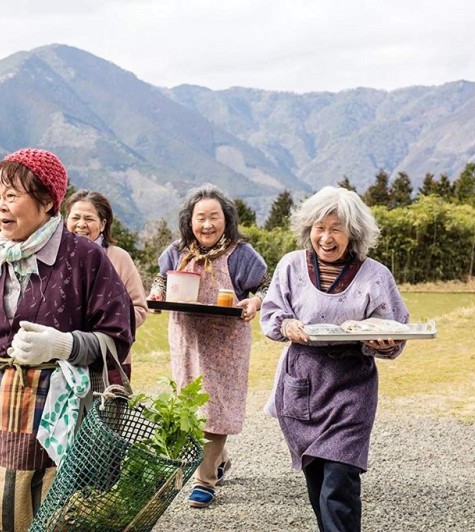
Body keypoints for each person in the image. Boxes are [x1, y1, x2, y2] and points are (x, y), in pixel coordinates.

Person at [0, 148, 134, 532]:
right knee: (1, 511)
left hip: (69, 411)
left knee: (66, 513)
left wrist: (63, 345)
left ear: (47, 201)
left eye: (11, 196)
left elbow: (118, 336)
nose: (0, 207)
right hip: (6, 408)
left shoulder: (85, 258)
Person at [259, 186, 409, 531]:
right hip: (302, 383)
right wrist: (287, 324)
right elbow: (271, 315)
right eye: (319, 227)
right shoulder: (291, 266)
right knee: (317, 479)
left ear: (353, 233)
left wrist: (383, 341)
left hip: (352, 385)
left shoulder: (375, 275)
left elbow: (396, 332)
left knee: (339, 480)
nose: (326, 237)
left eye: (336, 228)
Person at [148, 184, 269, 508]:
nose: (207, 225)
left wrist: (255, 302)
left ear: (226, 220)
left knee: (216, 408)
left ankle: (204, 482)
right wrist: (157, 295)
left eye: (214, 217)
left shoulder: (241, 253)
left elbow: (267, 286)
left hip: (226, 345)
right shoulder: (176, 250)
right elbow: (160, 279)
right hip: (187, 341)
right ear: (189, 221)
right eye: (200, 217)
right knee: (191, 408)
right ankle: (220, 460)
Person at [63, 189, 148, 329]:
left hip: (104, 347)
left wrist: (106, 328)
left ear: (102, 224)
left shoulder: (120, 258)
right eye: (75, 218)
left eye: (89, 219)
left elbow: (139, 308)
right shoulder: (55, 256)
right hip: (59, 346)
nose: (81, 224)